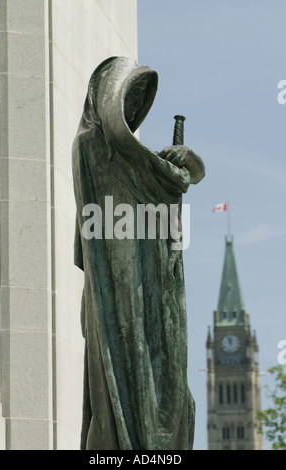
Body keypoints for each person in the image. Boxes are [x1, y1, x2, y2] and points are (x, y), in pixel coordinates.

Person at [72, 56, 205, 450]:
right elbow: (169, 180)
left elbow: (183, 178)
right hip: (116, 292)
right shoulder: (91, 147)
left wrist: (190, 163)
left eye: (138, 103)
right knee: (124, 391)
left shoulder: (135, 159)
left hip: (156, 286)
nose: (131, 111)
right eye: (127, 99)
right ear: (108, 99)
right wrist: (179, 172)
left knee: (173, 394)